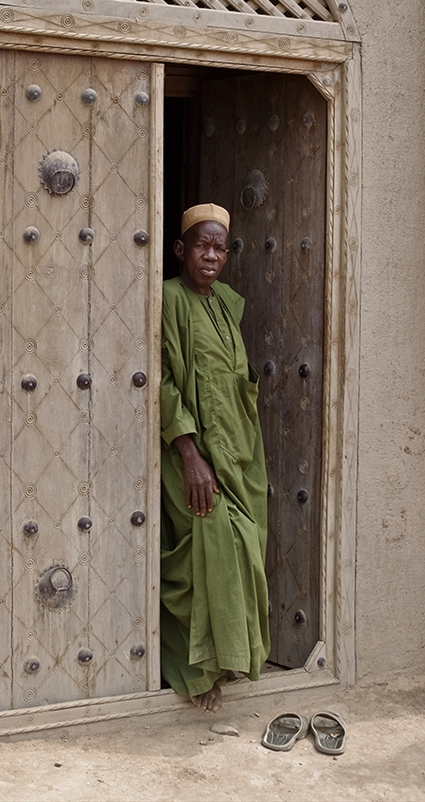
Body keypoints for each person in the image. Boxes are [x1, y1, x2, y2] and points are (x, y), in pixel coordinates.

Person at [160, 203, 270, 712]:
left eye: (219, 248)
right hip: (192, 458)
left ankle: (228, 657)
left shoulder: (226, 303)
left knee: (244, 545)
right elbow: (160, 380)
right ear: (181, 249)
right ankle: (196, 670)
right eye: (201, 246)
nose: (210, 256)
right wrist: (189, 452)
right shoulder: (168, 299)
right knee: (210, 545)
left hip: (238, 455)